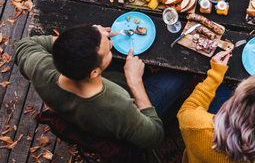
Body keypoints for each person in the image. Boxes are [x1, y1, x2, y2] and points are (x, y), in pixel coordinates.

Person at [13, 25, 191, 149]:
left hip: (79, 101)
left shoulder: (39, 66)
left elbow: (22, 46)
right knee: (183, 69)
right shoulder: (117, 107)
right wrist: (135, 82)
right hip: (137, 103)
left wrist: (82, 42)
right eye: (108, 50)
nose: (111, 44)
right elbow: (155, 137)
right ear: (94, 72)